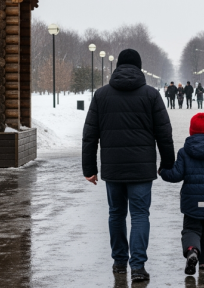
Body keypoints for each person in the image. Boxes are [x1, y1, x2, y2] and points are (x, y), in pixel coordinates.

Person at [82, 49, 175, 282]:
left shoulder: (101, 95)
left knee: (116, 214)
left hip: (113, 169)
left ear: (118, 67)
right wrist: (167, 163)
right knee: (140, 215)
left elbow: (90, 135)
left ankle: (119, 262)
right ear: (139, 67)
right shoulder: (151, 95)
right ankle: (138, 267)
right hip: (141, 170)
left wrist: (89, 168)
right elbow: (164, 133)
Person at [160, 113, 204, 275]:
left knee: (191, 229)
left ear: (191, 131)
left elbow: (176, 175)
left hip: (190, 202)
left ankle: (192, 250)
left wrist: (163, 171)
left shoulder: (184, 152)